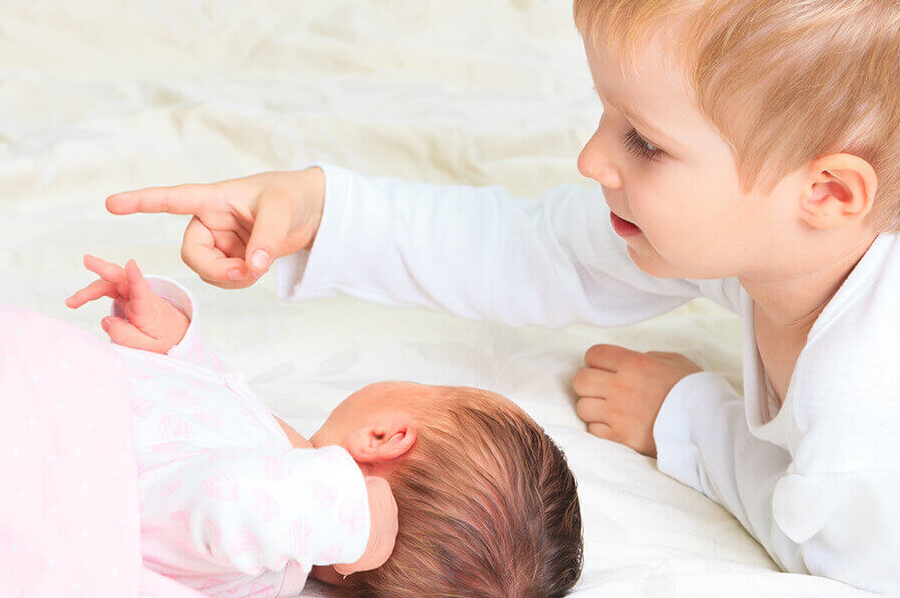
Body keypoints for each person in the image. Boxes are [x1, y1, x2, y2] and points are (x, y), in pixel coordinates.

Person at [105, 0, 900, 595]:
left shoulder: (876, 427)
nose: (590, 160)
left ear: (826, 192)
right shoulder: (781, 237)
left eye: (644, 142)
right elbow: (532, 249)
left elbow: (866, 563)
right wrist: (318, 212)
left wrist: (689, 420)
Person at [65, 254, 583, 598]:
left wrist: (346, 512)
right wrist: (177, 345)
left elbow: (212, 502)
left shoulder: (259, 538)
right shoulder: (272, 474)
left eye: (431, 388)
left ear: (383, 437)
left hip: (44, 441)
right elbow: (199, 433)